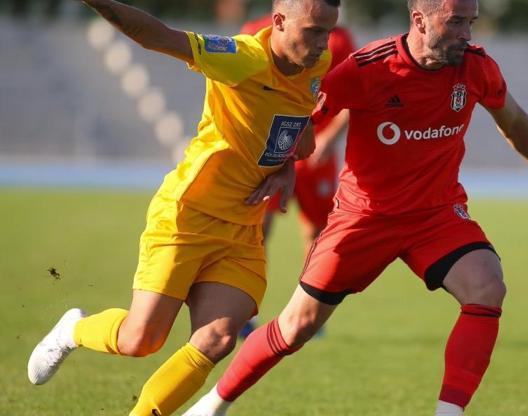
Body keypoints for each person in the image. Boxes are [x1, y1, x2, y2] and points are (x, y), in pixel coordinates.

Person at [184, 0, 528, 415]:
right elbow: (299, 115)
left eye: (470, 23)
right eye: (456, 22)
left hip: (435, 215)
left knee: (487, 286)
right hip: (363, 218)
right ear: (420, 20)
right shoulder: (368, 69)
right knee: (296, 326)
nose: (467, 34)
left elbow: (512, 119)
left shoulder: (476, 67)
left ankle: (448, 413)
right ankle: (212, 405)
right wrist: (285, 166)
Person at [26, 0, 339, 415]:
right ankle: (74, 329)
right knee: (141, 340)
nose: (323, 43)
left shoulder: (318, 62)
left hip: (242, 227)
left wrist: (287, 170)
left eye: (327, 31)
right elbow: (157, 37)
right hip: (188, 216)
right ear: (279, 21)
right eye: (313, 31)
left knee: (218, 338)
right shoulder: (242, 58)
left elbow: (294, 120)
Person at [237, 4, 355, 339]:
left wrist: (331, 136)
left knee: (317, 231)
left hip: (315, 152)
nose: (321, 39)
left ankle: (306, 311)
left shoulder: (339, 38)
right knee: (259, 226)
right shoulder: (255, 32)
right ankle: (244, 310)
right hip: (272, 149)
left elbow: (358, 89)